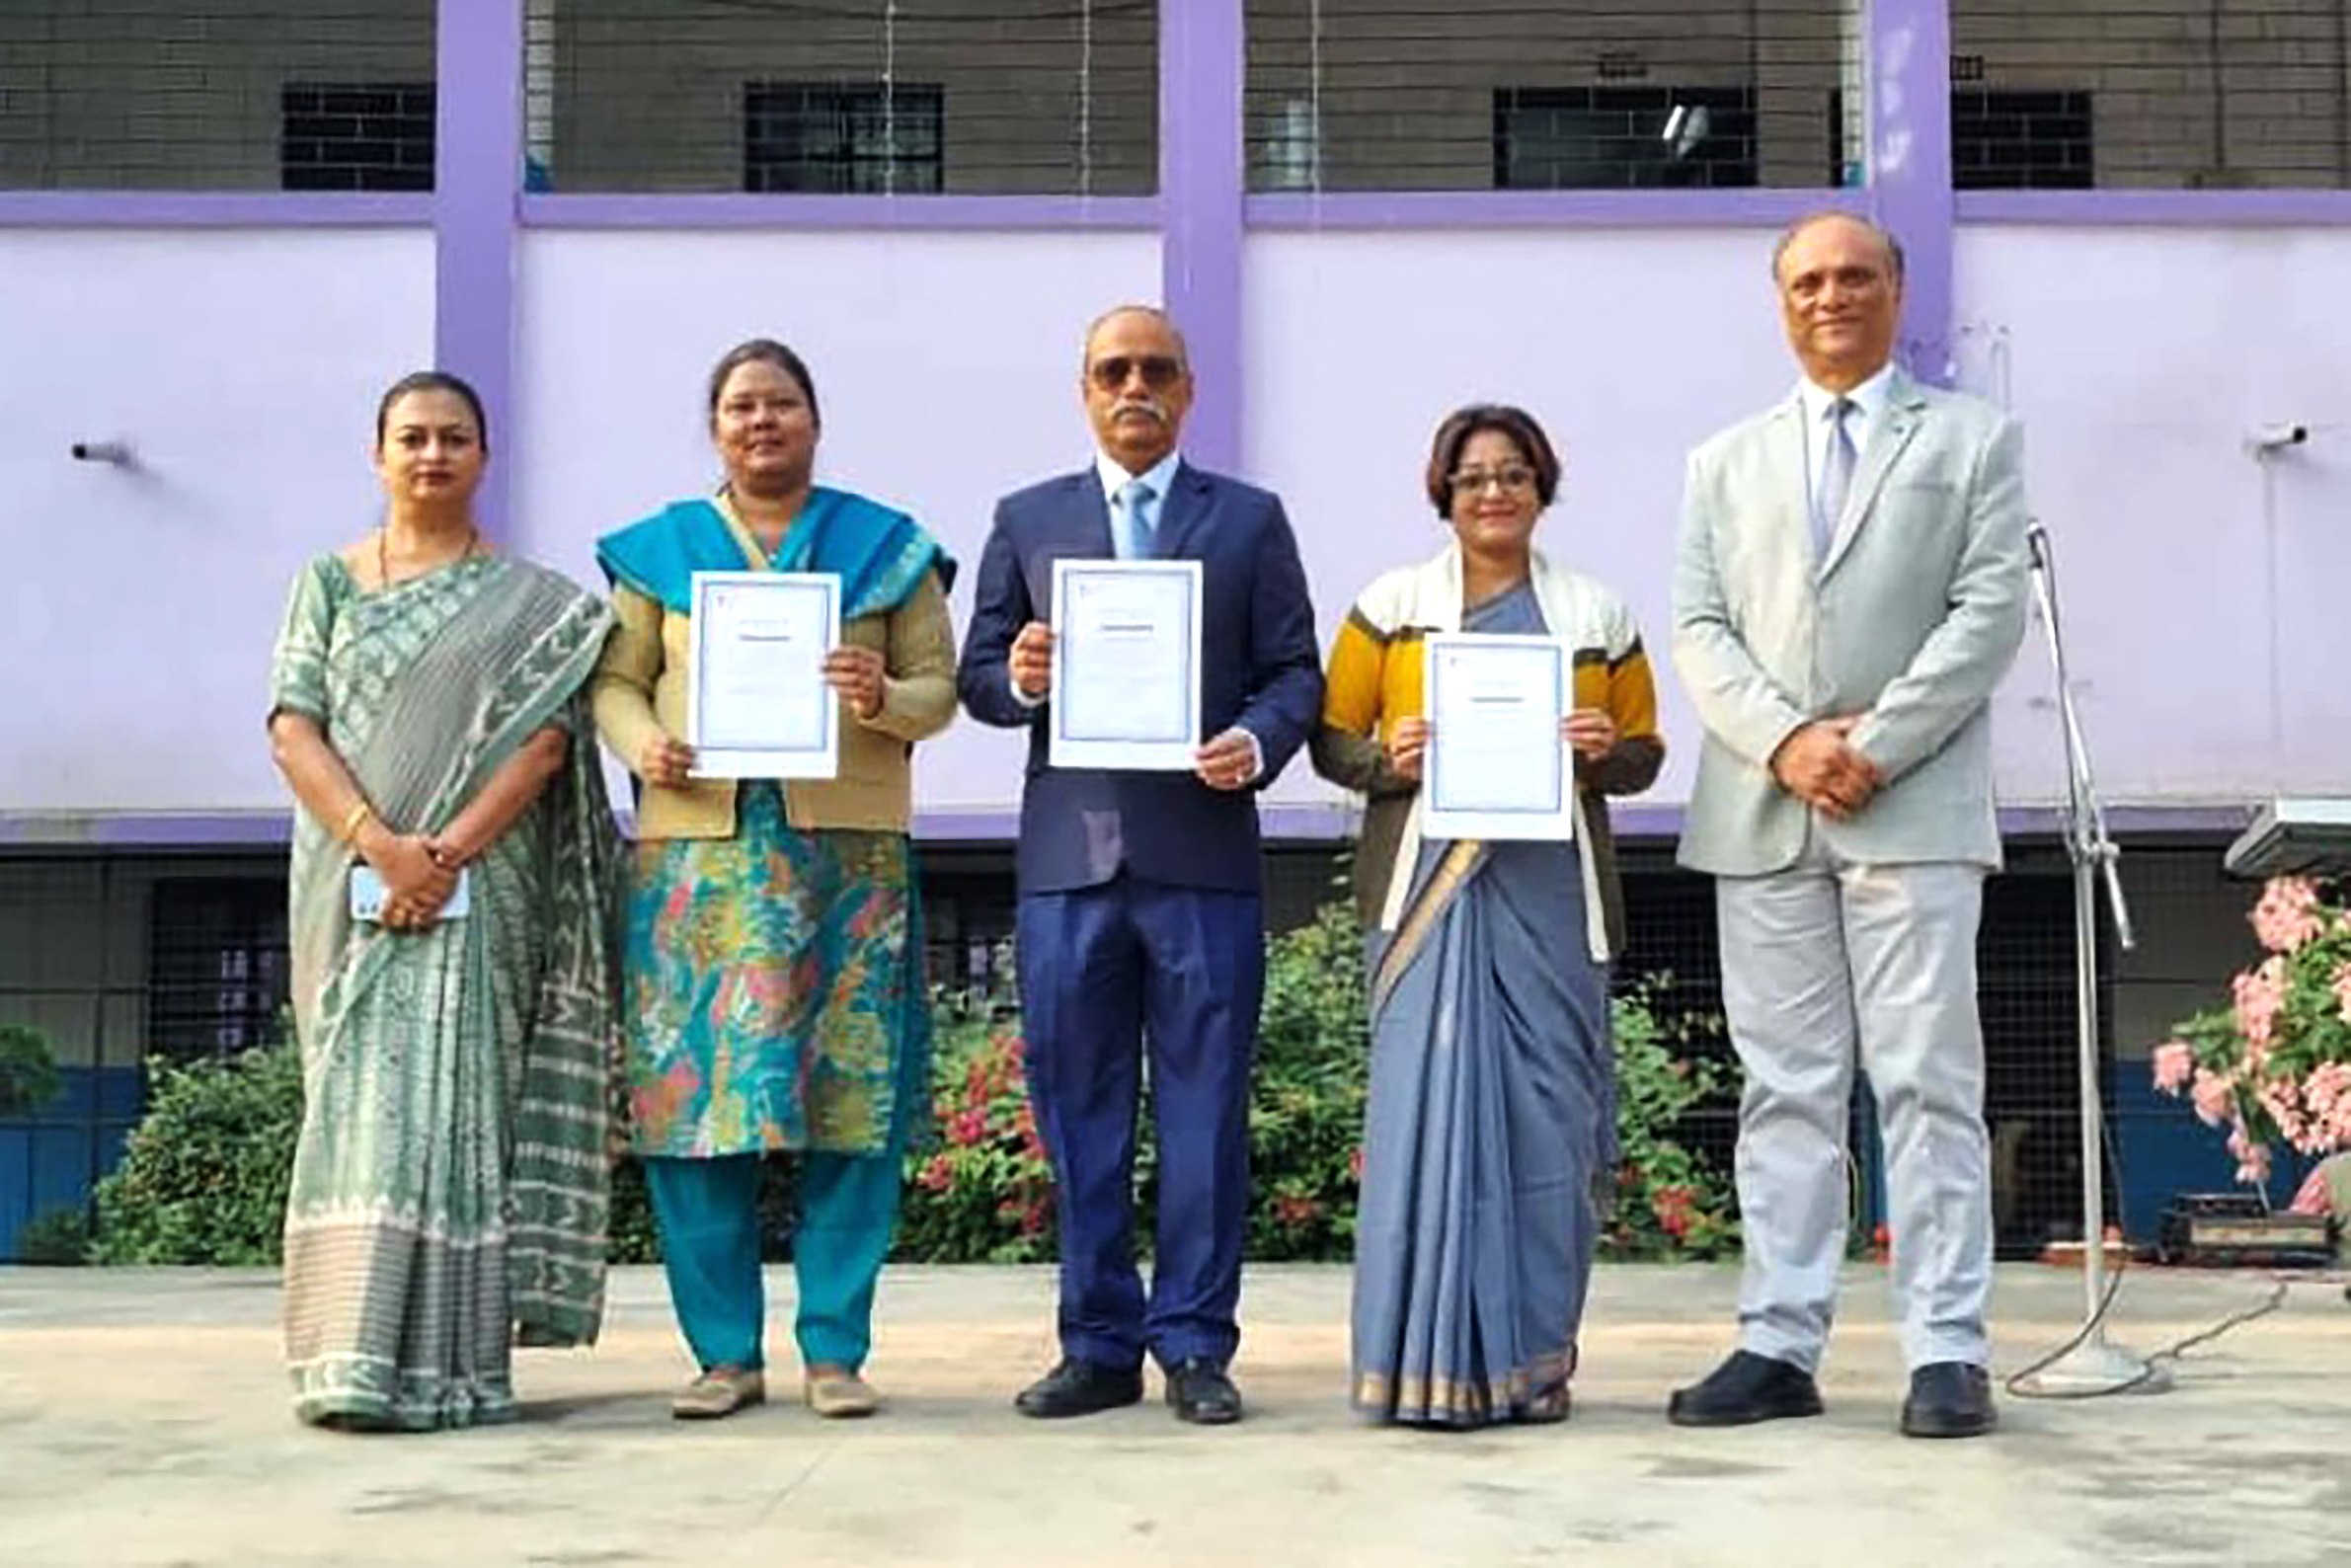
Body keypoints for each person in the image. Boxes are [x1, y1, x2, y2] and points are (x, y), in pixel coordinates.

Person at [1667, 212, 2029, 1439]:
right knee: (1785, 1089)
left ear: (1895, 290)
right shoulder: (1721, 459)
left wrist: (1869, 745)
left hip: (1910, 805)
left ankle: (1943, 1347)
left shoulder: (1972, 438)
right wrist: (1787, 741)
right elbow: (1699, 629)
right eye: (1807, 281)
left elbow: (1985, 614)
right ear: (1780, 302)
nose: (1831, 296)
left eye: (1853, 277)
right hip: (1762, 809)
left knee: (1928, 1082)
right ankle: (1777, 1337)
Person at [957, 305, 1322, 1425]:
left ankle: (1196, 1344)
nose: (1135, 387)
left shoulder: (1249, 521)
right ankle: (1099, 1341)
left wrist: (1256, 740)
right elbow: (977, 676)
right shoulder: (1028, 518)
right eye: (1112, 370)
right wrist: (1020, 676)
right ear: (1083, 389)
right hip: (1070, 862)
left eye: (1155, 369)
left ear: (1188, 388)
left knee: (1205, 1114)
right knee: (1080, 1112)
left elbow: (1293, 671)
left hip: (1201, 855)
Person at [592, 339, 956, 1422]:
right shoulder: (659, 553)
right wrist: (644, 742)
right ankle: (722, 1356)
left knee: (853, 1109)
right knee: (692, 1115)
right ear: (715, 426)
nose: (762, 422)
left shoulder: (886, 547)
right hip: (694, 864)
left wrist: (882, 693)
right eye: (742, 406)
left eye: (782, 404)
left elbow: (939, 689)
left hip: (847, 864)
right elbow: (614, 682)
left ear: (814, 420)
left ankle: (835, 1351)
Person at [268, 370, 621, 1432]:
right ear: (378, 454)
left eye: (454, 438)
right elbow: (293, 727)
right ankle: (347, 1356)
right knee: (359, 1115)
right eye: (413, 437)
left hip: (482, 885)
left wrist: (447, 854)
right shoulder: (325, 582)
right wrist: (380, 844)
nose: (432, 455)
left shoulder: (538, 606)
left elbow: (547, 744)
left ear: (484, 456)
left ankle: (453, 1370)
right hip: (346, 876)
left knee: (457, 1118)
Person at [1312, 404, 1663, 1428]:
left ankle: (1531, 1362)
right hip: (1425, 889)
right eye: (1471, 478)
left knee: (1550, 1117)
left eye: (1512, 474)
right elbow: (1331, 740)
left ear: (1542, 486)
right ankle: (1412, 1362)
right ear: (1443, 494)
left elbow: (1643, 755)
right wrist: (1391, 758)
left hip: (1551, 889)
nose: (1493, 493)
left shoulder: (1592, 610)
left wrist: (1600, 746)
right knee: (1423, 1110)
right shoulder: (1390, 605)